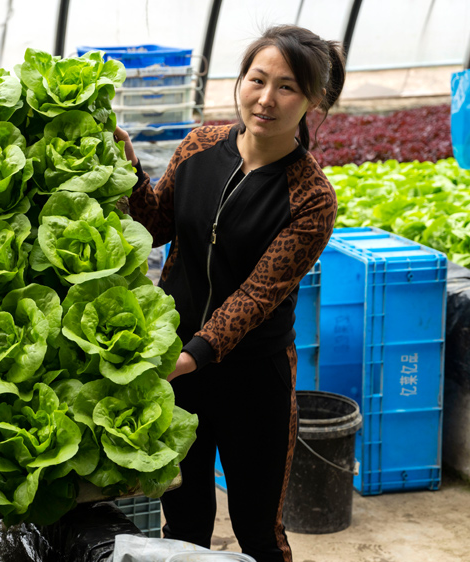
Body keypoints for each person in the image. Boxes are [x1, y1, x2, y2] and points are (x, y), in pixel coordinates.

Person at [115, 25, 346, 562]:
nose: (266, 99)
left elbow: (256, 297)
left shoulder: (311, 197)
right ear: (239, 80)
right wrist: (129, 169)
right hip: (176, 368)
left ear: (312, 100)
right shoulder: (199, 145)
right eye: (256, 79)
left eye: (286, 87)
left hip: (252, 380)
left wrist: (187, 356)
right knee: (184, 520)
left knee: (258, 530)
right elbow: (155, 226)